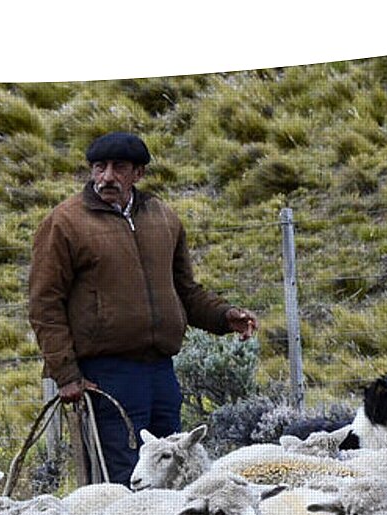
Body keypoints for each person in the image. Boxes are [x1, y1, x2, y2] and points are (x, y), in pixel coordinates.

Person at [27, 131, 258, 485]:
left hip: (161, 373)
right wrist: (66, 373)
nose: (106, 177)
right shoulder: (65, 223)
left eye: (118, 168)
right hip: (106, 374)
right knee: (122, 478)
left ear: (139, 174)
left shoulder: (163, 218)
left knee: (173, 473)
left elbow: (184, 291)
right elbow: (45, 303)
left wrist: (224, 316)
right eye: (99, 167)